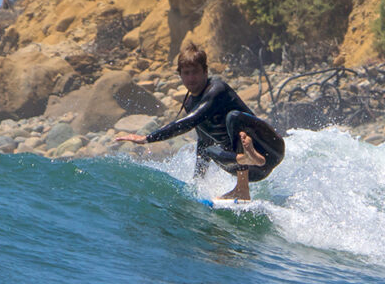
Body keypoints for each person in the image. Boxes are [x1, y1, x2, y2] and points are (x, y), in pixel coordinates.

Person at [115, 43, 285, 201]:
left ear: (205, 72)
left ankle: (242, 186)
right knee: (209, 148)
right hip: (253, 170)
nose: (191, 78)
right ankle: (245, 160)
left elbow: (188, 122)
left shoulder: (217, 90)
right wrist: (197, 184)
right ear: (180, 75)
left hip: (270, 150)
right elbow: (204, 141)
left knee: (234, 117)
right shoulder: (190, 103)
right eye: (186, 73)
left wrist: (148, 138)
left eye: (195, 72)